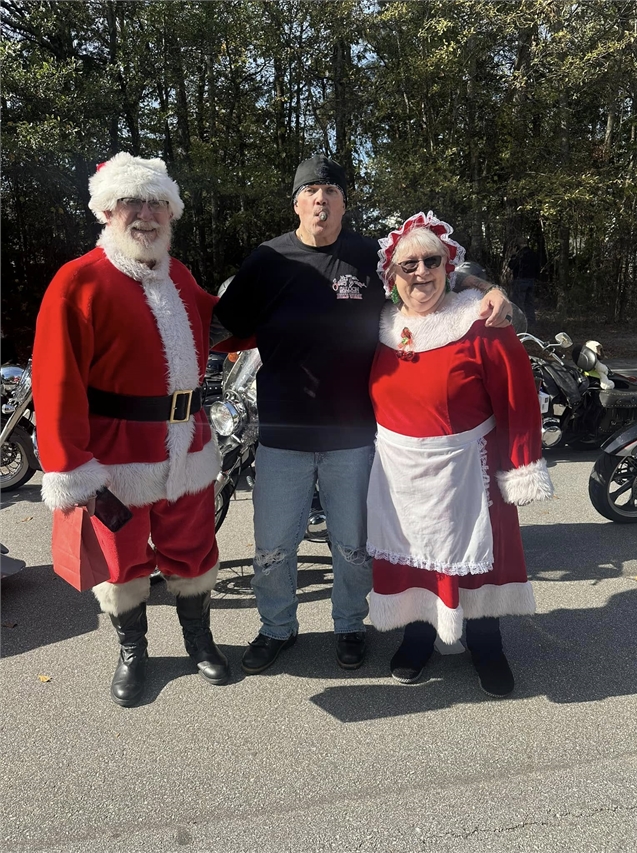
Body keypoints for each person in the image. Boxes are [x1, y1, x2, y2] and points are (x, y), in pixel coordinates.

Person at [211, 155, 513, 675]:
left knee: (352, 546)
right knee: (273, 547)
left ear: (344, 203)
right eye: (310, 191)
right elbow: (217, 321)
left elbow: (432, 267)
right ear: (296, 203)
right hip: (282, 433)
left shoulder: (369, 256)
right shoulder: (267, 259)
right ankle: (277, 627)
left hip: (353, 435)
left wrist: (490, 289)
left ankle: (349, 624)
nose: (320, 200)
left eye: (331, 191)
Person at [32, 153, 233, 707]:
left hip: (188, 446)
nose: (146, 214)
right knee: (121, 562)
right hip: (116, 457)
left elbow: (217, 320)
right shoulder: (78, 281)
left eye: (157, 203)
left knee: (194, 549)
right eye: (131, 202)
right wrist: (69, 466)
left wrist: (280, 299)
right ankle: (133, 651)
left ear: (171, 212)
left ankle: (199, 640)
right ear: (106, 210)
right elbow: (55, 381)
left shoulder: (179, 274)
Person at [367, 212, 554, 697]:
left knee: (479, 559)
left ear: (448, 266)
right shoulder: (380, 324)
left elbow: (518, 397)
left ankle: (487, 644)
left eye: (432, 261)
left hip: (470, 467)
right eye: (408, 265)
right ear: (391, 275)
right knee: (412, 555)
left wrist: (521, 464)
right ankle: (417, 635)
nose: (421, 273)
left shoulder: (481, 323)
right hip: (399, 473)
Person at [508, 237, 539, 329]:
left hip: (520, 280)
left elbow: (512, 266)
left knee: (518, 303)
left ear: (519, 244)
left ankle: (520, 323)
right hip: (531, 280)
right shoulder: (533, 253)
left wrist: (513, 255)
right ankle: (531, 322)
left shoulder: (519, 255)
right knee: (529, 302)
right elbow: (537, 267)